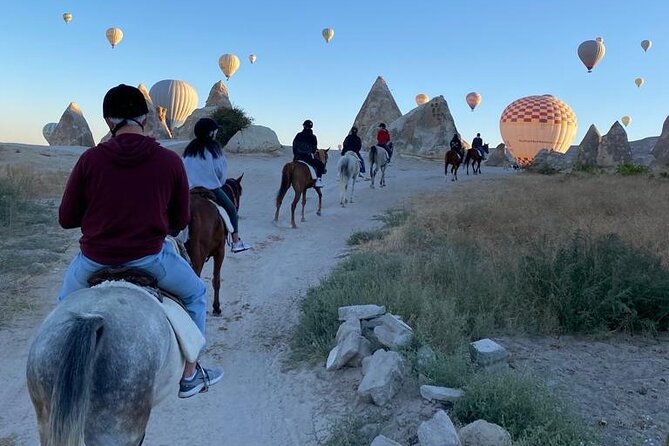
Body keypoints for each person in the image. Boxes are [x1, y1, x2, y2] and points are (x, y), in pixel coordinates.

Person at [57, 84, 222, 399]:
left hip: (94, 259)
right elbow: (178, 222)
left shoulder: (90, 160)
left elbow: (66, 218)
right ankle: (190, 374)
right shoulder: (169, 161)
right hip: (149, 259)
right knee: (198, 294)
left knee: (64, 310)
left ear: (108, 121)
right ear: (147, 118)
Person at [182, 118, 251, 253]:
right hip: (211, 188)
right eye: (215, 131)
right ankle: (236, 241)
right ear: (211, 132)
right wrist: (219, 182)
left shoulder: (189, 149)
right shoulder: (214, 149)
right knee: (231, 210)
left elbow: (183, 168)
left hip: (189, 190)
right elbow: (221, 170)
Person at [292, 119, 325, 188]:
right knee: (320, 165)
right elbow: (314, 150)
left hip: (297, 157)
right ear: (311, 127)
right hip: (307, 158)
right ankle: (318, 181)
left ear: (304, 126)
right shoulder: (313, 137)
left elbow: (294, 146)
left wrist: (296, 155)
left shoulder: (298, 135)